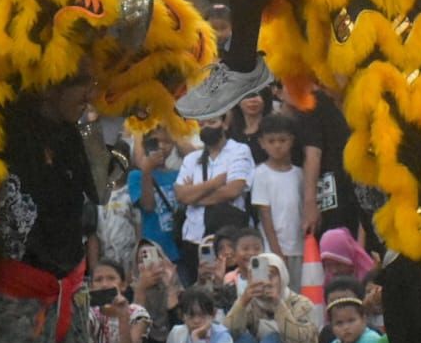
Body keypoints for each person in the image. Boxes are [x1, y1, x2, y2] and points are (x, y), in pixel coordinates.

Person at [0, 66, 100, 343]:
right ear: (48, 87)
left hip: (69, 292)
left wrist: (90, 126)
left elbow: (101, 189)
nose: (90, 92)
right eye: (80, 83)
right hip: (14, 300)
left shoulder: (75, 132)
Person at [177, 113, 255, 281]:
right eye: (202, 122)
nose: (206, 126)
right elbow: (181, 195)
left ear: (224, 124)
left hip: (229, 238)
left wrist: (194, 195)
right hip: (194, 239)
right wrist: (216, 183)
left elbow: (233, 190)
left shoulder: (239, 150)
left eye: (212, 122)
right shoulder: (191, 159)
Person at [293, 95, 357, 245]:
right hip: (332, 192)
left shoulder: (353, 100)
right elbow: (313, 154)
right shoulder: (313, 103)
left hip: (355, 188)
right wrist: (310, 203)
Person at [250, 113, 304, 285]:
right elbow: (265, 215)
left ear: (292, 140)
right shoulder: (261, 173)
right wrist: (276, 251)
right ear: (262, 143)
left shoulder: (300, 173)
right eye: (271, 141)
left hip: (299, 247)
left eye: (282, 140)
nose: (277, 146)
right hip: (272, 249)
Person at [86, 258, 153, 343]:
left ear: (123, 285)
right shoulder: (91, 314)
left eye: (111, 278)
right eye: (98, 280)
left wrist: (123, 314)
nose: (104, 284)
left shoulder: (137, 313)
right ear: (91, 286)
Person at [129, 129, 183, 275]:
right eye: (155, 142)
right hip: (154, 248)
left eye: (166, 142)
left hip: (179, 248)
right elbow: (148, 206)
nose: (161, 146)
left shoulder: (179, 173)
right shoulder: (135, 176)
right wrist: (147, 170)